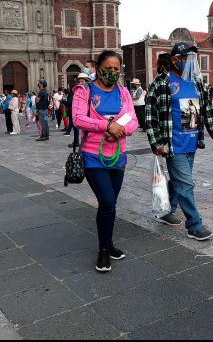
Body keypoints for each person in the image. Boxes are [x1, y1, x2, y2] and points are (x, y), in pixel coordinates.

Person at [145, 42, 213, 241]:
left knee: (179, 181)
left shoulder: (196, 82)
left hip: (192, 142)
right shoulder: (161, 83)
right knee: (186, 184)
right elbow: (150, 115)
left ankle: (166, 210)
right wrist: (156, 143)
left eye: (193, 59)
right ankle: (194, 225)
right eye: (188, 59)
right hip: (172, 144)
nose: (191, 63)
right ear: (175, 60)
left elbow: (206, 109)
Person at [73, 50, 139, 273]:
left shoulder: (123, 92)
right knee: (107, 201)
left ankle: (109, 243)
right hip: (93, 157)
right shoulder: (85, 91)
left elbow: (132, 118)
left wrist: (120, 132)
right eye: (108, 68)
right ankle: (103, 250)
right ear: (98, 67)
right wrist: (106, 126)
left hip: (117, 156)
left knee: (110, 204)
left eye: (116, 69)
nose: (112, 72)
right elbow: (78, 118)